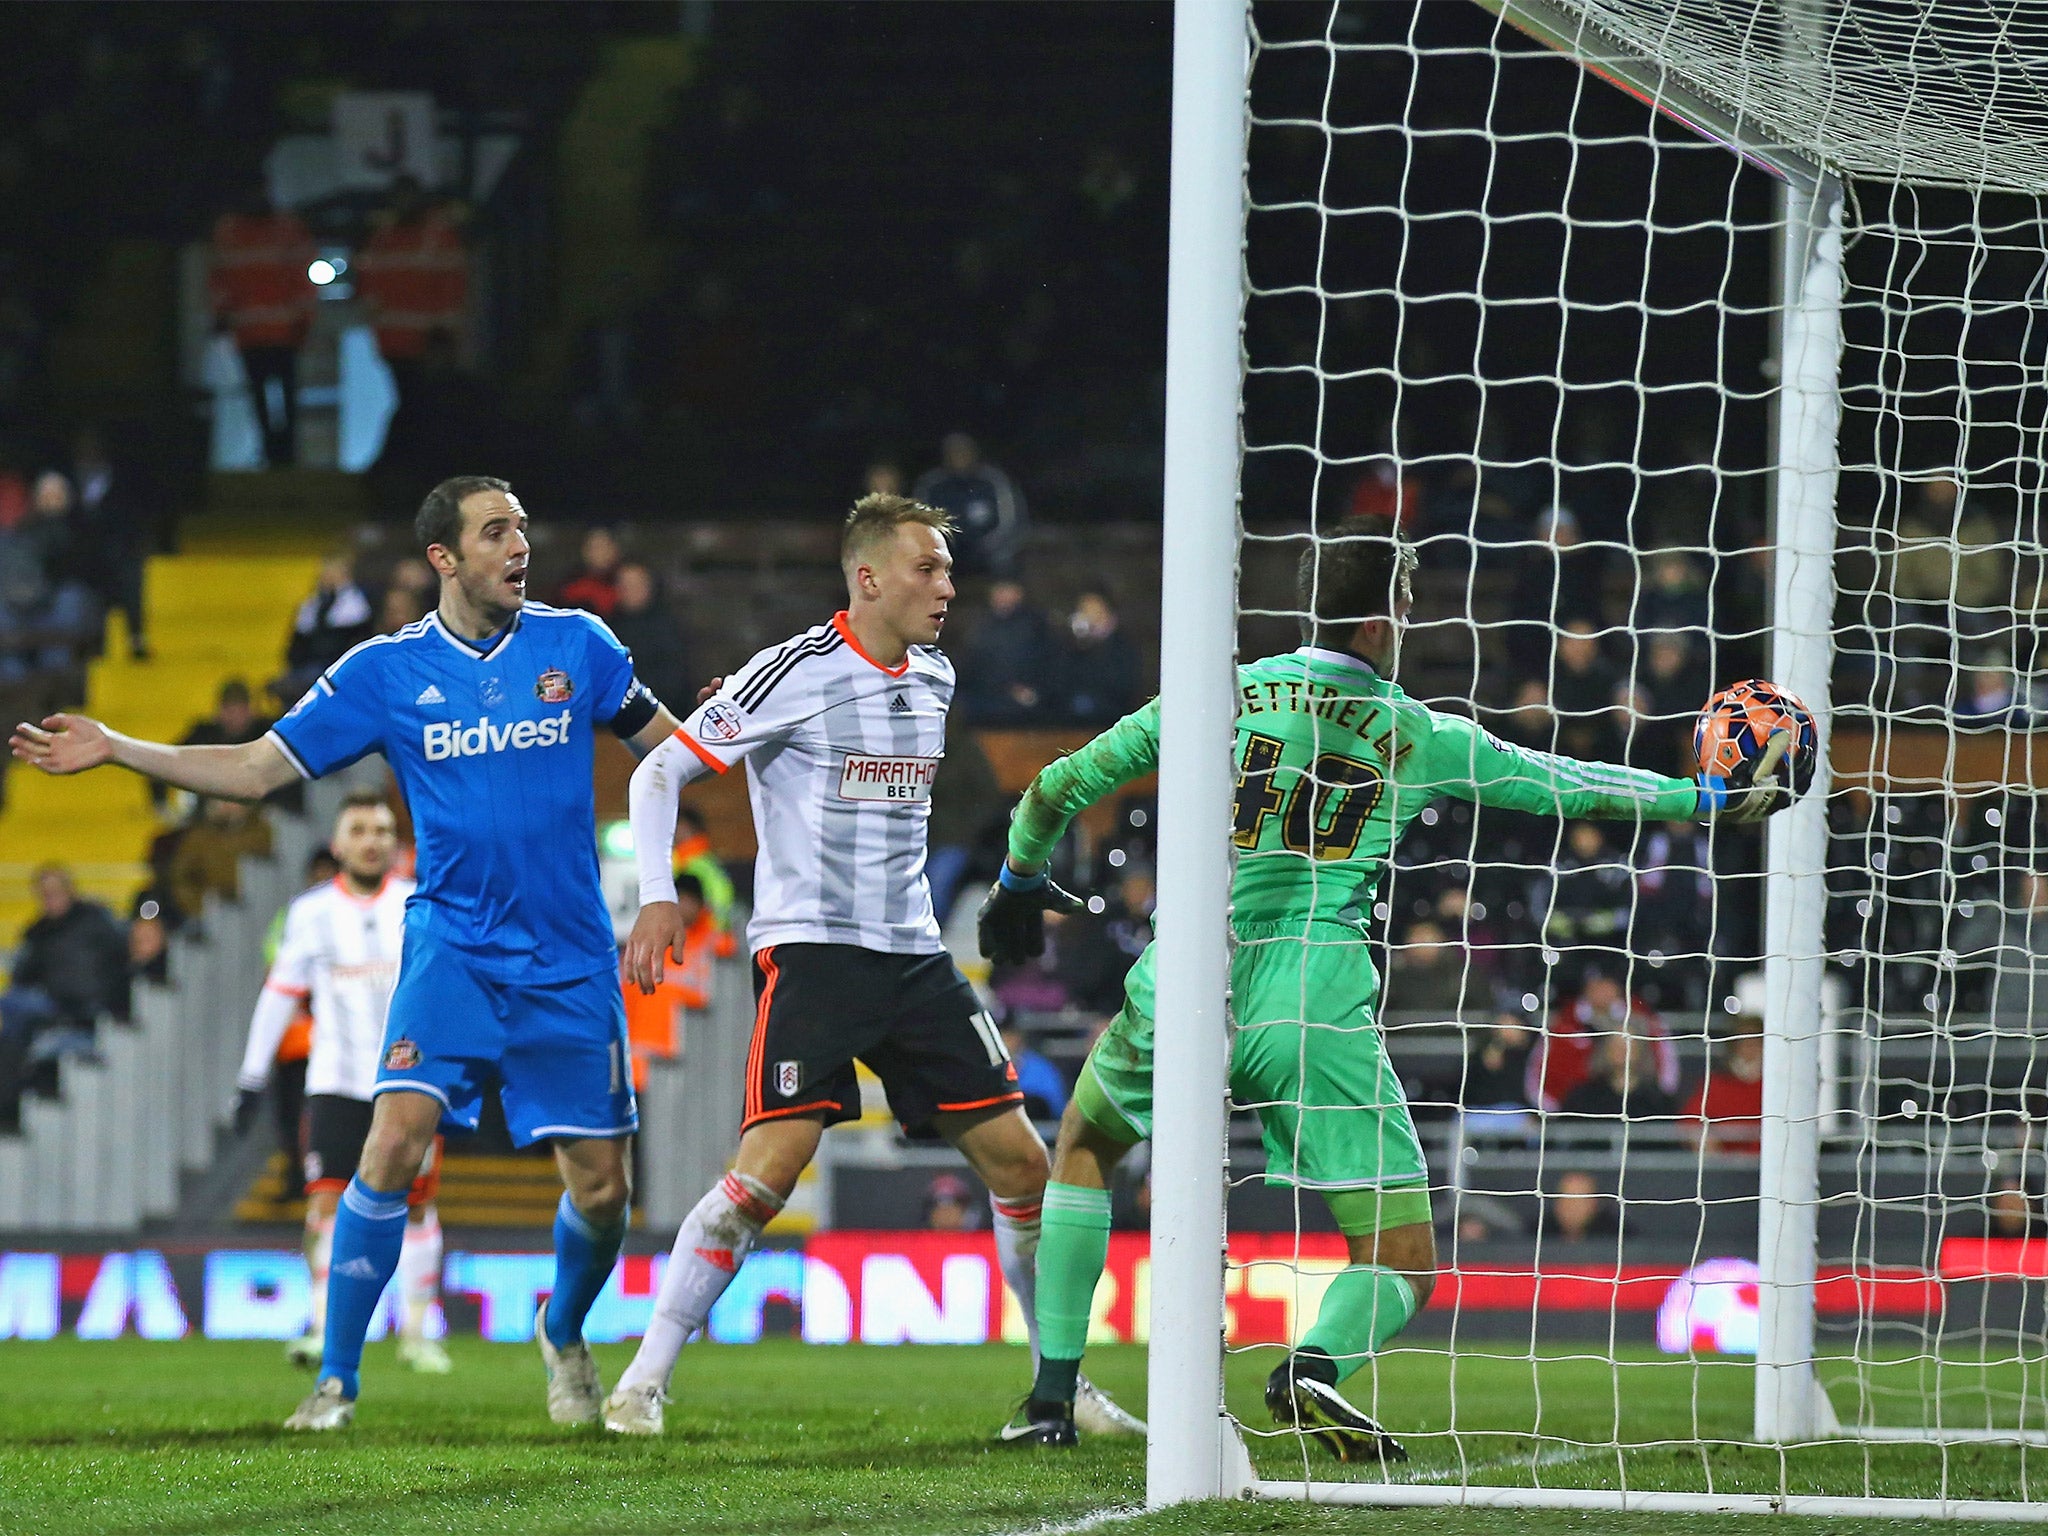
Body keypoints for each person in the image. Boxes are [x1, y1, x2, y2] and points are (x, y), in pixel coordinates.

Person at [977, 514, 1791, 1454]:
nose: (1408, 623)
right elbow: (1561, 782)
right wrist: (1702, 799)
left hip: (1188, 975)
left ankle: (1050, 1399)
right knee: (1402, 1255)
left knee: (1084, 1146)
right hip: (1312, 996)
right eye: (1404, 604)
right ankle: (1314, 1366)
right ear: (1376, 623)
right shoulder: (1414, 731)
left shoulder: (1219, 695)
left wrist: (1018, 880)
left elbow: (1054, 788)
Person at [11, 474, 684, 1432]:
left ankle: (563, 1328)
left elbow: (672, 757)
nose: (519, 547)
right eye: (496, 533)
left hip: (571, 956)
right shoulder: (383, 672)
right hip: (452, 947)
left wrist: (713, 802)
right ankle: (336, 1380)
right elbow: (252, 771)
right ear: (444, 557)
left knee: (605, 1189)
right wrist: (119, 744)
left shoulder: (580, 644)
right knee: (392, 1142)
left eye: (524, 530)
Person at [606, 493, 1139, 1441]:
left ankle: (1056, 1384)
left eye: (946, 567)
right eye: (927, 567)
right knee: (767, 1173)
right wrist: (656, 893)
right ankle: (644, 1379)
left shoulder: (935, 677)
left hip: (915, 954)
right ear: (868, 578)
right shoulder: (794, 673)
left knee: (1023, 1165)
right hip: (815, 952)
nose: (947, 584)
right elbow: (658, 773)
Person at [234, 790, 451, 1375]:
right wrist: (251, 1077)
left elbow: (444, 992)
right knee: (324, 1205)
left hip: (408, 1084)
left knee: (419, 1208)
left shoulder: (417, 903)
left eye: (381, 830)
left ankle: (415, 1332)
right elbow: (280, 992)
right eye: (358, 830)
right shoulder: (309, 912)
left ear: (396, 844)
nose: (371, 840)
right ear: (338, 844)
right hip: (333, 1080)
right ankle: (324, 1326)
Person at [0, 865, 131, 1128]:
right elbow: (22, 976)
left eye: (55, 891)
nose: (50, 898)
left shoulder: (95, 922)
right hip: (50, 1010)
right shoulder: (38, 931)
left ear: (70, 890)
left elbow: (121, 966)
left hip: (85, 1012)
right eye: (44, 893)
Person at [208, 188, 317, 467]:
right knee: (276, 397)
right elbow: (221, 280)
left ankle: (278, 453)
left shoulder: (231, 232)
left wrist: (222, 317)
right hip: (271, 333)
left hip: (263, 333)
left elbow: (221, 281)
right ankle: (281, 453)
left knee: (269, 398)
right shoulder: (286, 229)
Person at [354, 176, 469, 401]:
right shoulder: (381, 239)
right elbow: (368, 287)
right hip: (396, 343)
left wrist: (443, 335)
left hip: (429, 343)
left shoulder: (437, 237)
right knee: (411, 403)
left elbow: (452, 286)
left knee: (428, 404)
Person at [70, 426, 150, 660]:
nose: (89, 452)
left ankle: (136, 638)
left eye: (93, 447)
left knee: (131, 576)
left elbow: (131, 519)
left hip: (115, 552)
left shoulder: (122, 480)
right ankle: (89, 646)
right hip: (78, 554)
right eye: (83, 448)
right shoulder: (66, 480)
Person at [912, 432, 1027, 579]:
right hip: (946, 550)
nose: (959, 456)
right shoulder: (932, 485)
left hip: (988, 552)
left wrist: (983, 546)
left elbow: (1010, 523)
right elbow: (920, 522)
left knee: (1006, 559)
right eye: (954, 452)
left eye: (963, 451)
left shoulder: (993, 481)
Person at [958, 578, 1052, 724]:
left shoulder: (1035, 625)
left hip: (1028, 694)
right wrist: (1005, 689)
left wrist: (1032, 690)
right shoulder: (980, 626)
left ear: (1018, 593)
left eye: (1006, 590)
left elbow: (1046, 661)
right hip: (987, 695)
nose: (1001, 595)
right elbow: (972, 666)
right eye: (998, 590)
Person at [605, 562, 690, 709]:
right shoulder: (607, 628)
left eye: (636, 585)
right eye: (625, 585)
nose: (630, 591)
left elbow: (675, 679)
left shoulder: (668, 628)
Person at [1682, 1015, 1764, 1155]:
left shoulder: (1775, 1087)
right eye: (1743, 1041)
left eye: (1755, 1041)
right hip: (1721, 1167)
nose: (1749, 1047)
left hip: (1767, 1166)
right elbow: (1690, 1121)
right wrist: (1703, 1138)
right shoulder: (1716, 1084)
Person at [1054, 591, 1139, 726]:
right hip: (1071, 724)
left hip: (1110, 721)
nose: (1091, 618)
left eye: (1096, 613)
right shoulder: (1070, 648)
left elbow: (1122, 688)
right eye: (1085, 612)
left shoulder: (1123, 649)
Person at [556, 528, 623, 617]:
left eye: (603, 547)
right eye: (593, 547)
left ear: (615, 550)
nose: (598, 553)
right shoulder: (572, 585)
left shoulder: (626, 579)